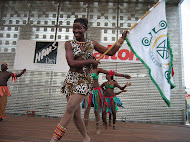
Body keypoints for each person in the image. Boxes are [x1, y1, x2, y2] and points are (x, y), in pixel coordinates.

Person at [50, 18, 128, 142]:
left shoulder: (92, 44)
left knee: (70, 106)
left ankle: (54, 139)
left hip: (85, 80)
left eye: (79, 28)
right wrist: (91, 61)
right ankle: (86, 138)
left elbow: (111, 52)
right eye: (74, 28)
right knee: (75, 114)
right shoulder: (69, 44)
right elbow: (71, 63)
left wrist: (121, 39)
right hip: (71, 80)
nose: (76, 31)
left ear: (85, 29)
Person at [82, 68, 130, 135]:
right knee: (90, 110)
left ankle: (106, 126)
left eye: (107, 75)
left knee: (105, 111)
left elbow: (112, 73)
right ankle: (87, 128)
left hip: (105, 95)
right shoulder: (85, 70)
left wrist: (123, 76)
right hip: (92, 92)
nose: (106, 76)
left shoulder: (99, 71)